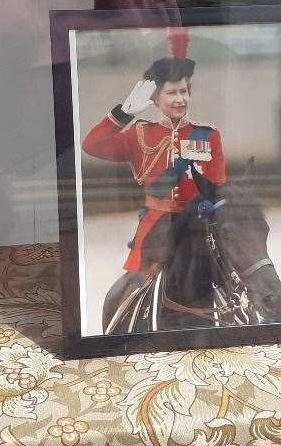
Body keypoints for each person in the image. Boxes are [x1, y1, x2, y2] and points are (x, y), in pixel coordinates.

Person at [81, 30, 226, 328]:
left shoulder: (207, 135)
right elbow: (91, 145)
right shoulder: (140, 134)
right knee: (134, 288)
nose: (180, 99)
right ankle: (124, 326)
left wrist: (211, 208)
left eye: (184, 91)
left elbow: (218, 185)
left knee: (231, 280)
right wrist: (123, 113)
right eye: (171, 92)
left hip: (199, 226)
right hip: (158, 228)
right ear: (156, 98)